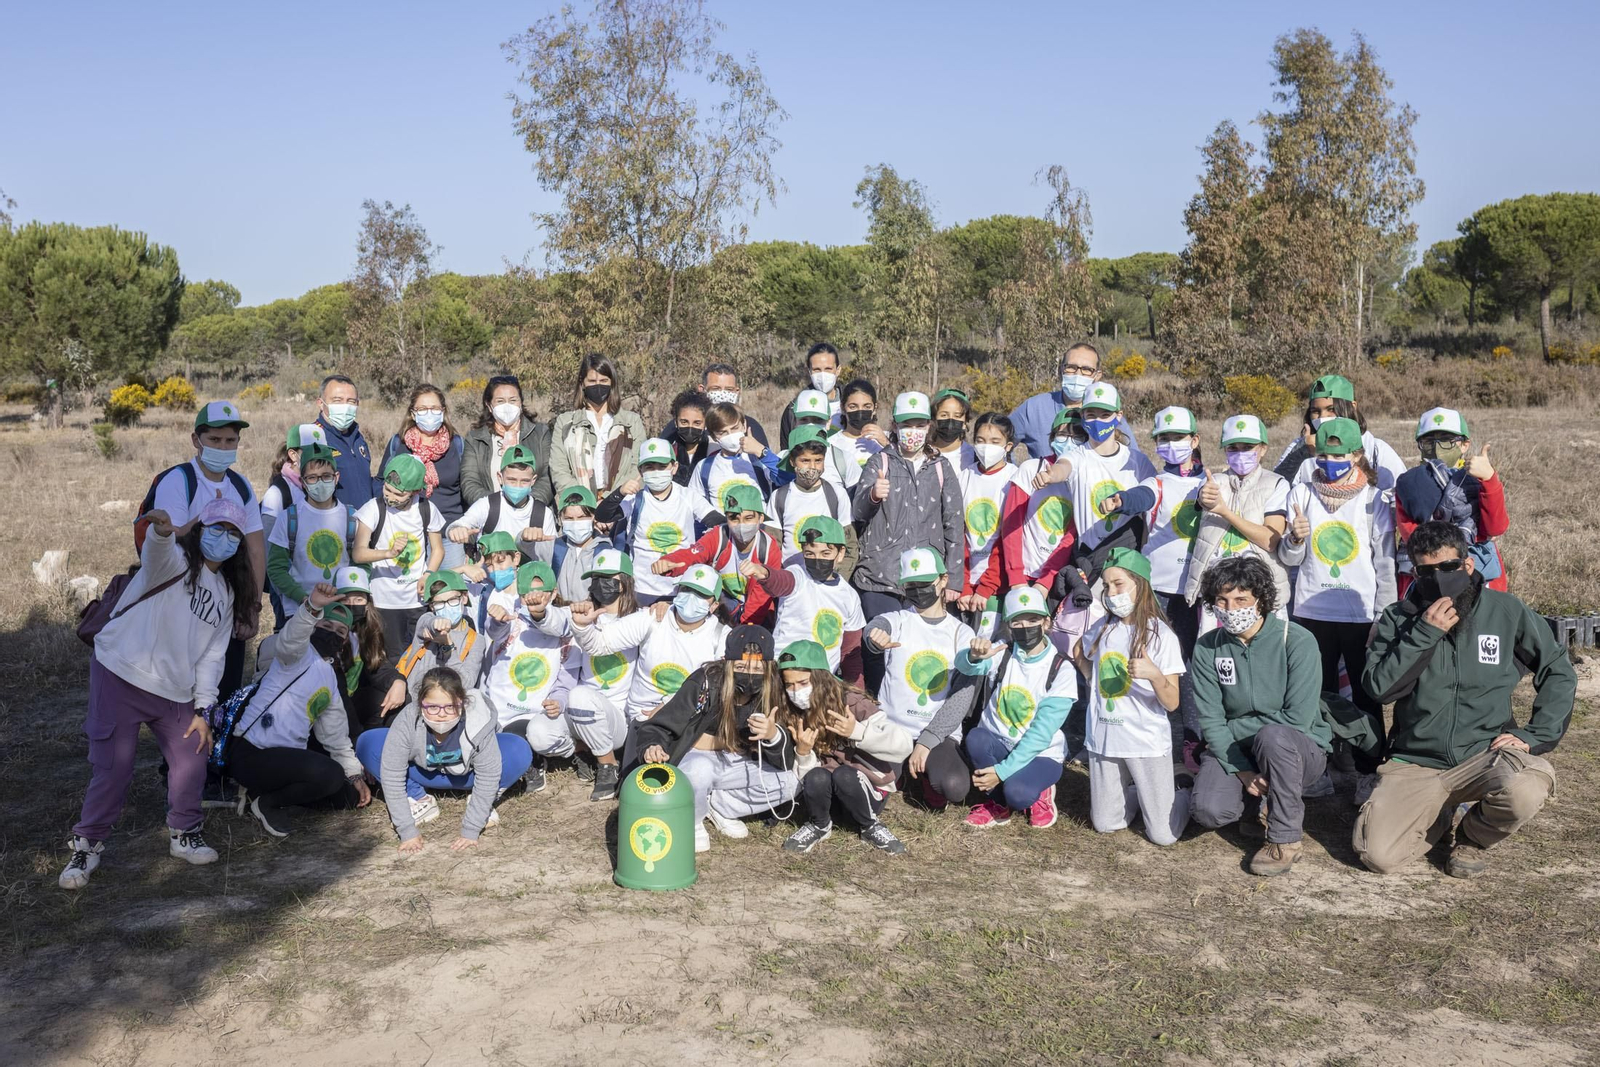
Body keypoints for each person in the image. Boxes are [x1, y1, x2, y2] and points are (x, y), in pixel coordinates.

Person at [1355, 522, 1574, 878]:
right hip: (1415, 760)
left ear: (1467, 566)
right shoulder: (1397, 619)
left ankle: (1472, 838)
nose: (1438, 577)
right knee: (1377, 856)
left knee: (1527, 786)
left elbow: (1557, 668)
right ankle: (1438, 812)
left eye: (1447, 568)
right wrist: (1424, 633)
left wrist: (1536, 734)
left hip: (1484, 753)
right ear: (1414, 572)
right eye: (1426, 571)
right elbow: (1379, 688)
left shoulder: (1506, 611)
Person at [60, 500, 254, 890]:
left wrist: (203, 708)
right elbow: (156, 552)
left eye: (234, 533)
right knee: (114, 767)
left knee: (192, 754)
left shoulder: (227, 592)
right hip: (120, 673)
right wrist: (162, 532)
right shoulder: (176, 561)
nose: (225, 538)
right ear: (199, 529)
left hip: (174, 690)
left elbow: (213, 656)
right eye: (217, 528)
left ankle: (184, 832)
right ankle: (87, 845)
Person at [1189, 555, 1331, 877]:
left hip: (1297, 748)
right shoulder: (1207, 648)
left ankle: (1285, 839)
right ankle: (1254, 807)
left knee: (1273, 735)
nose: (1231, 608)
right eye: (1222, 600)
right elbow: (1211, 719)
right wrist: (1242, 772)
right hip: (1235, 748)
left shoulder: (1297, 640)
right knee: (1209, 811)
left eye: (1241, 599)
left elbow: (1297, 718)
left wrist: (1233, 726)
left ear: (1261, 600)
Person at [1277, 416, 1397, 795]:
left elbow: (1385, 561)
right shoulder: (1300, 494)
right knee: (1314, 693)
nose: (1330, 462)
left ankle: (1367, 769)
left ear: (1357, 455)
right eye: (1324, 455)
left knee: (1366, 695)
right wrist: (1295, 540)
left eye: (1339, 454)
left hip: (1359, 615)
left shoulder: (1374, 500)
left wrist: (1383, 615)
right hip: (1311, 611)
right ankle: (1320, 768)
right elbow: (1290, 560)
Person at [141, 402, 266, 702]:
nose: (223, 447)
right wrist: (212, 513)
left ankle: (218, 746)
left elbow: (256, 547)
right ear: (196, 440)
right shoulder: (179, 480)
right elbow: (172, 540)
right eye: (214, 440)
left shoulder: (241, 485)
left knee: (225, 687)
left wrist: (252, 605)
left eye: (230, 441)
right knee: (183, 690)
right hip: (183, 600)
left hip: (228, 599)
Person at [635, 625, 799, 852]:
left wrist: (772, 736)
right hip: (699, 758)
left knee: (793, 782)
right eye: (741, 666)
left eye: (757, 668)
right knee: (699, 770)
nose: (750, 674)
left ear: (769, 667)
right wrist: (653, 745)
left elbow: (785, 759)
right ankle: (692, 819)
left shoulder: (774, 689)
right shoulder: (705, 682)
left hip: (741, 762)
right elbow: (662, 724)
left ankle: (722, 807)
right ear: (727, 662)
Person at [226, 583, 371, 838]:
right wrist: (312, 608)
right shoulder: (293, 654)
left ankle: (258, 796)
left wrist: (355, 775)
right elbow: (292, 637)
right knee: (329, 773)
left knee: (345, 795)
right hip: (252, 752)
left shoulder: (330, 678)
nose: (332, 634)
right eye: (326, 626)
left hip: (286, 759)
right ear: (314, 627)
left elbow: (336, 736)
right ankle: (267, 803)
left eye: (340, 631)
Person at [1070, 549, 1189, 845]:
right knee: (1106, 823)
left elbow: (1172, 702)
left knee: (1163, 836)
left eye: (1119, 584)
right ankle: (1138, 793)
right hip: (1105, 739)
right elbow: (1082, 657)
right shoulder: (1099, 629)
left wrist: (1154, 675)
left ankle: (1183, 792)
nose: (1111, 593)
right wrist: (1086, 670)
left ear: (1140, 584)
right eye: (1107, 586)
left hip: (1144, 742)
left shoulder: (1161, 635)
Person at [851, 392, 965, 693]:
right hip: (880, 576)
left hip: (925, 578)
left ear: (928, 426)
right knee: (878, 646)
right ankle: (875, 707)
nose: (912, 431)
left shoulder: (941, 468)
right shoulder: (880, 462)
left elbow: (954, 521)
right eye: (906, 424)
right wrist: (873, 495)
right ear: (894, 425)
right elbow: (858, 512)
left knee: (917, 649)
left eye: (919, 424)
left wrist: (953, 579)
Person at [357, 666, 533, 852]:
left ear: (462, 702)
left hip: (469, 778)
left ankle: (481, 801)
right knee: (369, 742)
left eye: (450, 706)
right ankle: (417, 797)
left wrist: (471, 829)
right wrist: (407, 831)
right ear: (420, 703)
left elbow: (489, 774)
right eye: (432, 707)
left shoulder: (478, 720)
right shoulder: (409, 718)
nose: (441, 714)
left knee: (518, 748)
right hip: (424, 774)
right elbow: (392, 773)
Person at [864, 548, 978, 808]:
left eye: (925, 584)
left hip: (938, 733)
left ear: (943, 580)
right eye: (911, 586)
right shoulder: (898, 620)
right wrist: (875, 637)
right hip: (893, 728)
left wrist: (927, 741)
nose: (918, 591)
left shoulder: (961, 632)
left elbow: (961, 697)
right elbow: (876, 626)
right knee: (871, 783)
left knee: (954, 786)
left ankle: (924, 769)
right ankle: (902, 769)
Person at [957, 586, 1076, 830]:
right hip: (998, 742)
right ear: (1009, 627)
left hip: (1040, 752)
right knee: (976, 738)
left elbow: (1041, 733)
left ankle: (1039, 792)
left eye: (1032, 620)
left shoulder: (1061, 668)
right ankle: (997, 804)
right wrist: (973, 656)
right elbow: (967, 668)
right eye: (1017, 623)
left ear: (1046, 623)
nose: (1025, 628)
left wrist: (1001, 772)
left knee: (1018, 794)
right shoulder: (1003, 652)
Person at [777, 640, 913, 855]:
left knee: (845, 775)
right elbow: (805, 778)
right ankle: (820, 825)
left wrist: (857, 733)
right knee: (817, 776)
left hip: (864, 791)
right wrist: (802, 753)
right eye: (789, 685)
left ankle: (870, 825)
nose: (795, 692)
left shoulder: (853, 703)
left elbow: (903, 745)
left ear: (820, 677)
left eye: (803, 683)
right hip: (827, 797)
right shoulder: (791, 712)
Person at [525, 548, 640, 801]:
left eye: (609, 578)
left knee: (580, 696)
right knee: (538, 733)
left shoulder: (638, 620)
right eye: (596, 578)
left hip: (617, 718)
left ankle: (608, 766)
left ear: (625, 583)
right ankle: (585, 750)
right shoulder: (581, 614)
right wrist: (539, 612)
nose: (601, 585)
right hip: (577, 711)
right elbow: (555, 620)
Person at [569, 563, 729, 723]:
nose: (691, 597)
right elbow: (600, 643)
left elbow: (715, 686)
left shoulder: (722, 636)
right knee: (579, 696)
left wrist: (669, 705)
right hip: (640, 717)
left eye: (701, 594)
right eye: (686, 589)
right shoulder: (652, 617)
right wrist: (582, 627)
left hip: (687, 721)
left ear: (714, 605)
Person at [478, 558, 576, 795]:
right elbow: (495, 631)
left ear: (553, 593)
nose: (532, 599)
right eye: (526, 594)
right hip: (499, 709)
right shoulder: (510, 618)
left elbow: (567, 675)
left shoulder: (564, 621)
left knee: (528, 736)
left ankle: (543, 759)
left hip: (534, 713)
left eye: (539, 593)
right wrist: (495, 619)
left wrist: (559, 700)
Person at [1181, 415, 1291, 623]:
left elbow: (1271, 540)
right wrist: (1204, 497)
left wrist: (1225, 512)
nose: (1240, 454)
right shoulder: (1214, 481)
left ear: (1263, 449)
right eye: (1233, 448)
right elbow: (1203, 501)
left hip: (1258, 591)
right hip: (1218, 593)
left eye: (1247, 447)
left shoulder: (1277, 484)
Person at [1395, 407, 1508, 593]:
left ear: (1465, 445)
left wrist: (1489, 479)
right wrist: (1474, 538)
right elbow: (1413, 535)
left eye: (1447, 440)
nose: (1437, 447)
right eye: (1429, 441)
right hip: (1426, 572)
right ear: (1420, 446)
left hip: (1479, 571)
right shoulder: (1410, 483)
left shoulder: (1480, 478)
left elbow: (1496, 527)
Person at [1036, 382, 1157, 554]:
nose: (1097, 421)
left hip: (1126, 558)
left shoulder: (1138, 460)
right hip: (1090, 556)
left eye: (1105, 415)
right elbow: (1064, 467)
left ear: (1119, 415)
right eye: (1091, 415)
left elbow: (1152, 495)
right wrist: (1051, 475)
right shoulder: (1077, 456)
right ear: (1083, 416)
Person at [604, 438, 720, 606]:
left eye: (662, 466)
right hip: (641, 587)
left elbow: (717, 522)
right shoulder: (634, 499)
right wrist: (620, 492)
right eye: (650, 467)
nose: (656, 472)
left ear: (674, 467)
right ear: (640, 470)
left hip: (681, 586)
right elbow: (604, 516)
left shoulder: (688, 496)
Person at [352, 455, 446, 656]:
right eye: (387, 489)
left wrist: (428, 573)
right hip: (384, 600)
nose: (390, 496)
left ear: (415, 492)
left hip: (416, 601)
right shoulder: (373, 509)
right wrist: (388, 553)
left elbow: (438, 549)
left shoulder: (426, 509)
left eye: (398, 493)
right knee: (388, 657)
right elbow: (358, 553)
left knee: (417, 656)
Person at [754, 516, 866, 682]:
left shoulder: (849, 596)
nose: (817, 559)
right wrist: (766, 575)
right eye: (810, 554)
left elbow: (851, 653)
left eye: (825, 553)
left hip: (823, 682)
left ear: (840, 553)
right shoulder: (798, 575)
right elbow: (782, 581)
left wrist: (855, 695)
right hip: (783, 674)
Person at [987, 409, 1080, 606]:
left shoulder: (1083, 479)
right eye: (1063, 434)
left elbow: (1072, 535)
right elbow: (1012, 524)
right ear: (1053, 437)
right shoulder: (1031, 469)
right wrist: (1016, 578)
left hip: (1058, 578)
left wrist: (1046, 582)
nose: (1069, 441)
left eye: (1077, 435)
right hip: (1023, 576)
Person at [658, 483, 784, 627]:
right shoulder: (718, 536)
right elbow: (693, 555)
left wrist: (744, 628)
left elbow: (761, 595)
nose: (741, 525)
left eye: (748, 518)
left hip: (756, 611)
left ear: (761, 518)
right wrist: (670, 562)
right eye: (734, 518)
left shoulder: (769, 549)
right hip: (723, 604)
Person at [266, 443, 355, 623]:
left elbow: (361, 563)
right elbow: (276, 568)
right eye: (312, 478)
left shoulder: (352, 517)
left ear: (336, 477)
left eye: (326, 476)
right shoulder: (288, 518)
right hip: (299, 611)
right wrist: (303, 599)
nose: (320, 482)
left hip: (340, 612)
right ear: (303, 481)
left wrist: (349, 593)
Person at [383, 384, 469, 569]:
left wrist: (468, 536)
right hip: (405, 535)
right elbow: (381, 483)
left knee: (448, 591)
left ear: (443, 411)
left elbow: (466, 488)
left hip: (449, 534)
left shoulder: (458, 444)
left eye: (434, 408)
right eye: (422, 409)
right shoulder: (399, 443)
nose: (429, 413)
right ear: (413, 414)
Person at [1007, 342, 1140, 460]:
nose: (1078, 374)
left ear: (1097, 375)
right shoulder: (1034, 408)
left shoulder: (1107, 414)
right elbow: (999, 441)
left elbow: (1133, 459)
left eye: (1087, 370)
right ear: (1061, 370)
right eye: (1071, 367)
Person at [1273, 374, 1406, 491]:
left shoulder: (1376, 449)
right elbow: (1276, 489)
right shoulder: (1300, 447)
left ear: (1352, 407)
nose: (1322, 418)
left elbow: (1396, 494)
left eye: (1331, 409)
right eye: (1316, 411)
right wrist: (1301, 452)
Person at [548, 353, 649, 497]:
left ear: (612, 383)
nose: (598, 385)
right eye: (592, 381)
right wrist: (585, 501)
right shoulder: (566, 423)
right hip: (578, 506)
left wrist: (610, 500)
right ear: (582, 383)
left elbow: (638, 466)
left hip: (622, 503)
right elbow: (559, 468)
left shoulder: (632, 422)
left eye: (603, 380)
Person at [445, 444, 557, 567]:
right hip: (488, 580)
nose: (517, 486)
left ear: (533, 480)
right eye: (512, 480)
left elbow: (551, 558)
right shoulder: (487, 505)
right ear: (500, 478)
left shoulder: (543, 514)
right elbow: (461, 524)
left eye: (524, 481)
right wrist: (456, 530)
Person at [332, 566, 410, 736]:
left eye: (359, 600)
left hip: (353, 700)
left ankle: (370, 741)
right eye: (345, 600)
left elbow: (378, 667)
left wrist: (398, 681)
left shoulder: (368, 631)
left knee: (397, 698)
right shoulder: (325, 632)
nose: (352, 605)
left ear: (368, 604)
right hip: (329, 705)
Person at [460, 373, 555, 510]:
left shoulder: (541, 434)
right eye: (500, 401)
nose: (507, 406)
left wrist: (528, 506)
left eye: (512, 400)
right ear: (489, 405)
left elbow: (548, 476)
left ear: (521, 403)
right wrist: (496, 508)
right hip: (490, 516)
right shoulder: (475, 439)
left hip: (533, 515)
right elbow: (470, 482)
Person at [766, 426, 855, 569]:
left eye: (818, 460)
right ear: (792, 461)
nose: (812, 467)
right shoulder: (779, 497)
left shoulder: (837, 494)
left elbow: (849, 544)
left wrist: (837, 579)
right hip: (791, 581)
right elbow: (771, 547)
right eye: (805, 461)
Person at [956, 413, 1018, 612]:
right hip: (964, 585)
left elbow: (1010, 538)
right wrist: (963, 585)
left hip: (997, 586)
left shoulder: (1015, 479)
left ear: (1008, 446)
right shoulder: (964, 477)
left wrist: (987, 586)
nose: (987, 446)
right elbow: (957, 533)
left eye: (995, 441)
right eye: (981, 441)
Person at [396, 570, 488, 703]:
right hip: (411, 702)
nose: (446, 607)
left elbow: (467, 683)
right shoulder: (427, 620)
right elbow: (427, 623)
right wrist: (436, 624)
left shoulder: (476, 641)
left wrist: (447, 646)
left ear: (464, 598)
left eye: (452, 600)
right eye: (439, 603)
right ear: (432, 607)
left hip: (447, 709)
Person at [690, 400, 781, 513]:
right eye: (723, 432)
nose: (730, 435)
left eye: (734, 428)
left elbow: (787, 477)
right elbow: (694, 505)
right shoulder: (704, 467)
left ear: (744, 426)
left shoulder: (758, 460)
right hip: (721, 528)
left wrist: (761, 452)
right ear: (714, 436)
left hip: (758, 527)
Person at [314, 375, 378, 508]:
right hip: (333, 524)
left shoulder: (357, 437)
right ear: (320, 403)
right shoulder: (314, 438)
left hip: (364, 523)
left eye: (351, 401)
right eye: (337, 400)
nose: (345, 406)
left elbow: (363, 482)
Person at [551, 486, 613, 603]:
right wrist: (524, 535)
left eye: (582, 517)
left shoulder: (606, 551)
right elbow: (523, 545)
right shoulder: (556, 547)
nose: (575, 523)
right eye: (569, 518)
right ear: (561, 519)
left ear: (593, 517)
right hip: (561, 613)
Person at [828, 378, 889, 492]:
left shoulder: (886, 439)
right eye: (853, 407)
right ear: (843, 408)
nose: (860, 411)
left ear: (875, 408)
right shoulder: (832, 444)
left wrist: (886, 443)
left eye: (866, 406)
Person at [777, 343, 844, 446]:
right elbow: (787, 452)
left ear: (838, 370)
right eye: (816, 370)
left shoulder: (852, 406)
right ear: (809, 372)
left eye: (828, 369)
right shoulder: (793, 410)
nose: (822, 375)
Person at [695, 362, 770, 447]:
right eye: (716, 388)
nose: (722, 394)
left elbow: (765, 458)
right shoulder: (692, 424)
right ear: (702, 389)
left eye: (729, 389)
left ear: (736, 391)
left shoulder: (751, 426)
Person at [662, 389, 712, 486]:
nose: (690, 427)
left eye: (697, 423)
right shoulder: (667, 450)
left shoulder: (713, 451)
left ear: (705, 423)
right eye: (684, 422)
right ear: (676, 422)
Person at [928, 387, 976, 470]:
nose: (950, 421)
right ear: (934, 419)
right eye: (944, 415)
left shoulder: (974, 457)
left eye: (957, 416)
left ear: (965, 422)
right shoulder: (922, 454)